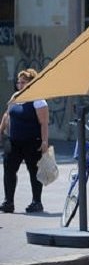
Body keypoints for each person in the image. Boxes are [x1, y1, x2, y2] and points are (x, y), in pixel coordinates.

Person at [0, 69, 50, 213]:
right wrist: (1, 130)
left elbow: (44, 123)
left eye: (23, 82)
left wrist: (44, 142)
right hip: (13, 141)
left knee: (34, 171)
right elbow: (7, 114)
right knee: (9, 170)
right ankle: (8, 202)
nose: (19, 85)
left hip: (32, 141)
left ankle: (36, 202)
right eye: (18, 82)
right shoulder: (15, 96)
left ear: (31, 83)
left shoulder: (38, 100)